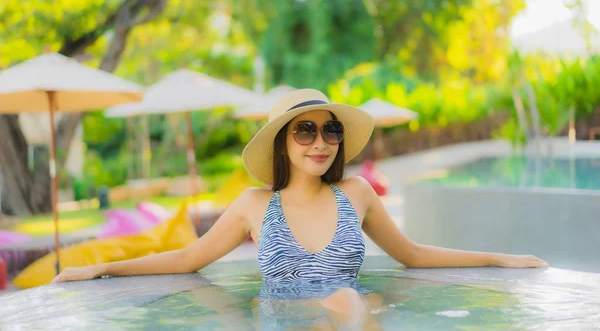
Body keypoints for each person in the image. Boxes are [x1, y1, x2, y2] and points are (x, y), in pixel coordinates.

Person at [52, 89, 548, 326]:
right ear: (281, 144)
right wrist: (103, 270)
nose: (321, 142)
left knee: (352, 303)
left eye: (330, 130)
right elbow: (187, 259)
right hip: (284, 320)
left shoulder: (355, 194)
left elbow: (413, 255)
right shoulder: (253, 206)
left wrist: (499, 259)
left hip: (351, 316)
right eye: (304, 130)